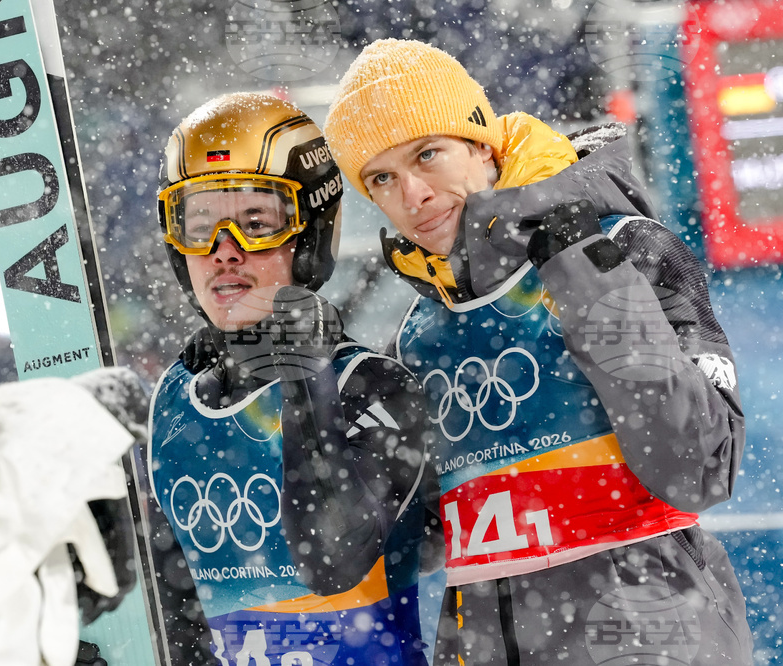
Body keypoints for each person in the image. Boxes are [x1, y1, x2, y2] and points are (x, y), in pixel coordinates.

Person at [323, 39, 753, 664]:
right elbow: (402, 548)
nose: (411, 194)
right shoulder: (419, 332)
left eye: (428, 155)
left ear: (481, 143)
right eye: (381, 178)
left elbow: (702, 464)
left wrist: (584, 274)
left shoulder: (627, 247)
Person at [146, 91, 435, 665]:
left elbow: (332, 557)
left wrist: (305, 379)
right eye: (199, 225)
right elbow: (182, 627)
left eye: (256, 223)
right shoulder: (175, 404)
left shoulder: (376, 387)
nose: (225, 252)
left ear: (309, 235)